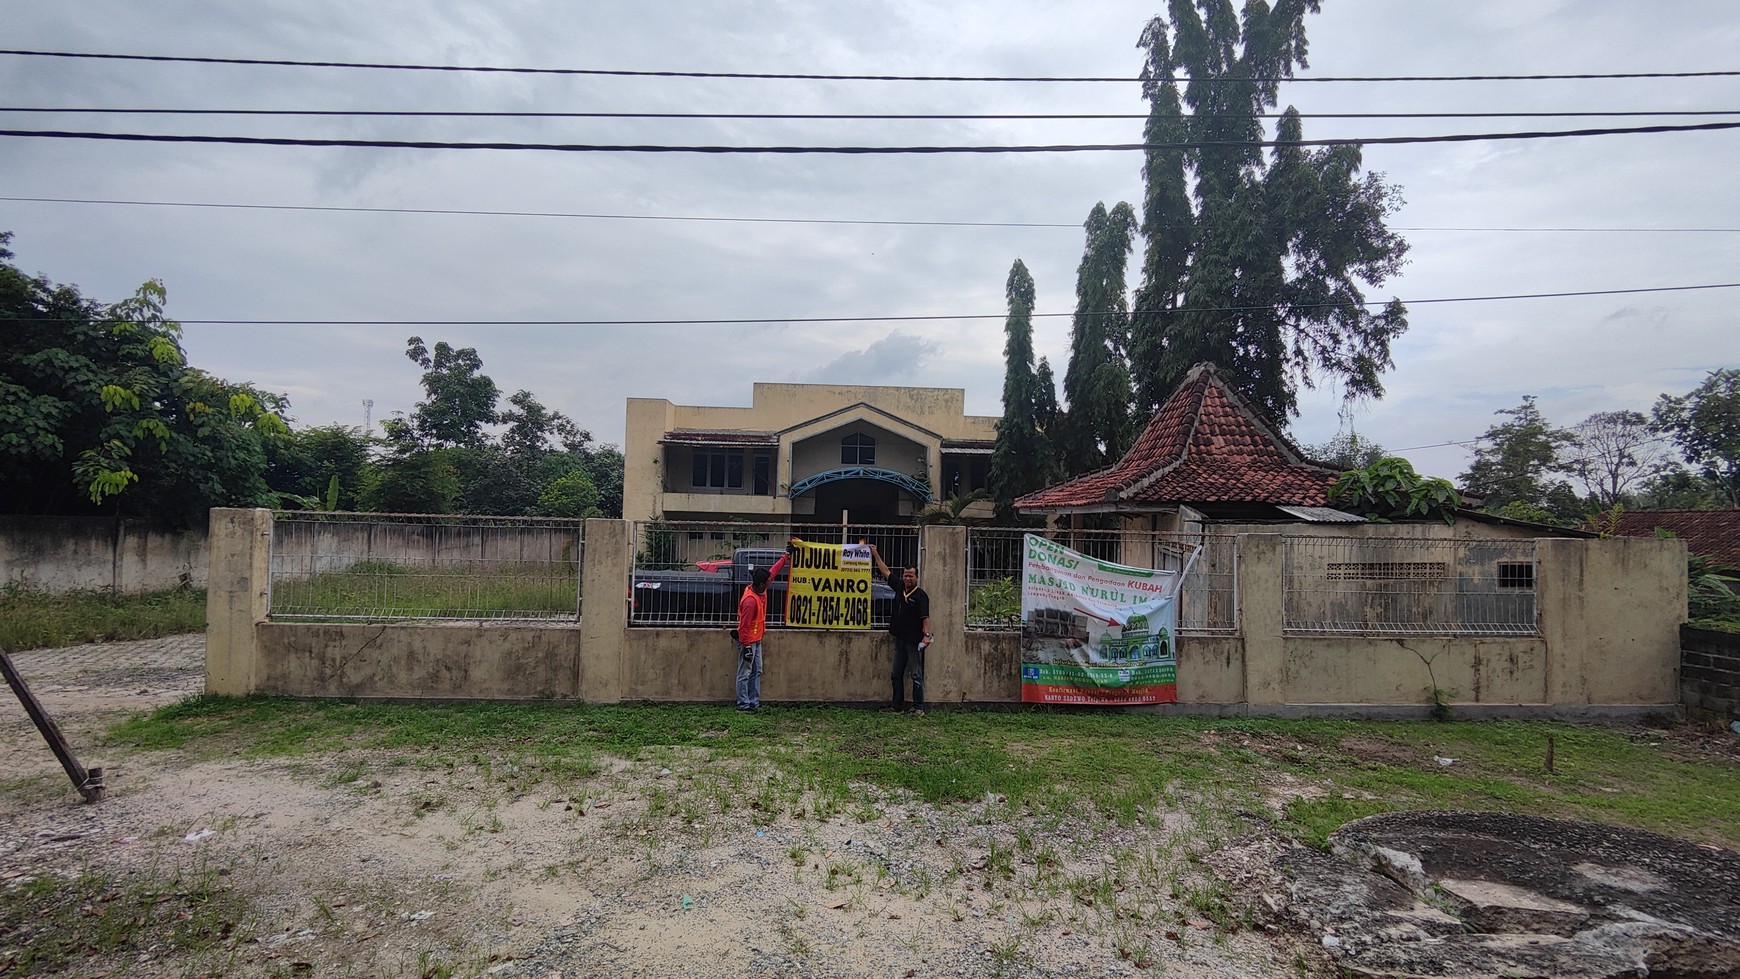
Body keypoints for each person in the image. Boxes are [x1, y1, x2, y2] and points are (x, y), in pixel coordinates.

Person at [866, 540, 930, 715]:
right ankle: (897, 706)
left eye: (910, 576)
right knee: (896, 673)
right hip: (899, 639)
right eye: (905, 575)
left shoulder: (921, 596)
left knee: (916, 675)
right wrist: (875, 554)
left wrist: (926, 636)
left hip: (914, 641)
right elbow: (885, 571)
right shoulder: (900, 587)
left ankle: (919, 707)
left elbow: (925, 618)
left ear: (916, 577)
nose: (907, 579)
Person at [734, 544, 792, 712]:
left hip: (757, 638)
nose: (770, 582)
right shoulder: (750, 602)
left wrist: (786, 557)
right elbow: (744, 627)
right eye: (768, 582)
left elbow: (773, 570)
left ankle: (753, 701)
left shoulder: (760, 588)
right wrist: (746, 647)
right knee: (745, 672)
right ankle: (743, 704)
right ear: (761, 585)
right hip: (748, 640)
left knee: (757, 671)